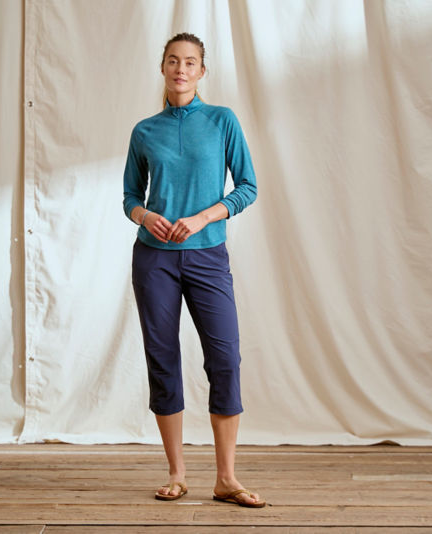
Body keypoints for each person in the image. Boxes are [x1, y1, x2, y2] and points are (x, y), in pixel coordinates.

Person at [123, 32, 264, 508]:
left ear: (202, 71)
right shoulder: (145, 131)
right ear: (162, 67)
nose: (180, 69)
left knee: (224, 358)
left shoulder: (222, 121)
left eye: (189, 62)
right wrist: (145, 216)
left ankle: (226, 478)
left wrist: (204, 217)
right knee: (162, 358)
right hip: (154, 259)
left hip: (208, 256)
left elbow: (247, 187)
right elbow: (129, 196)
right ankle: (177, 473)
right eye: (173, 61)